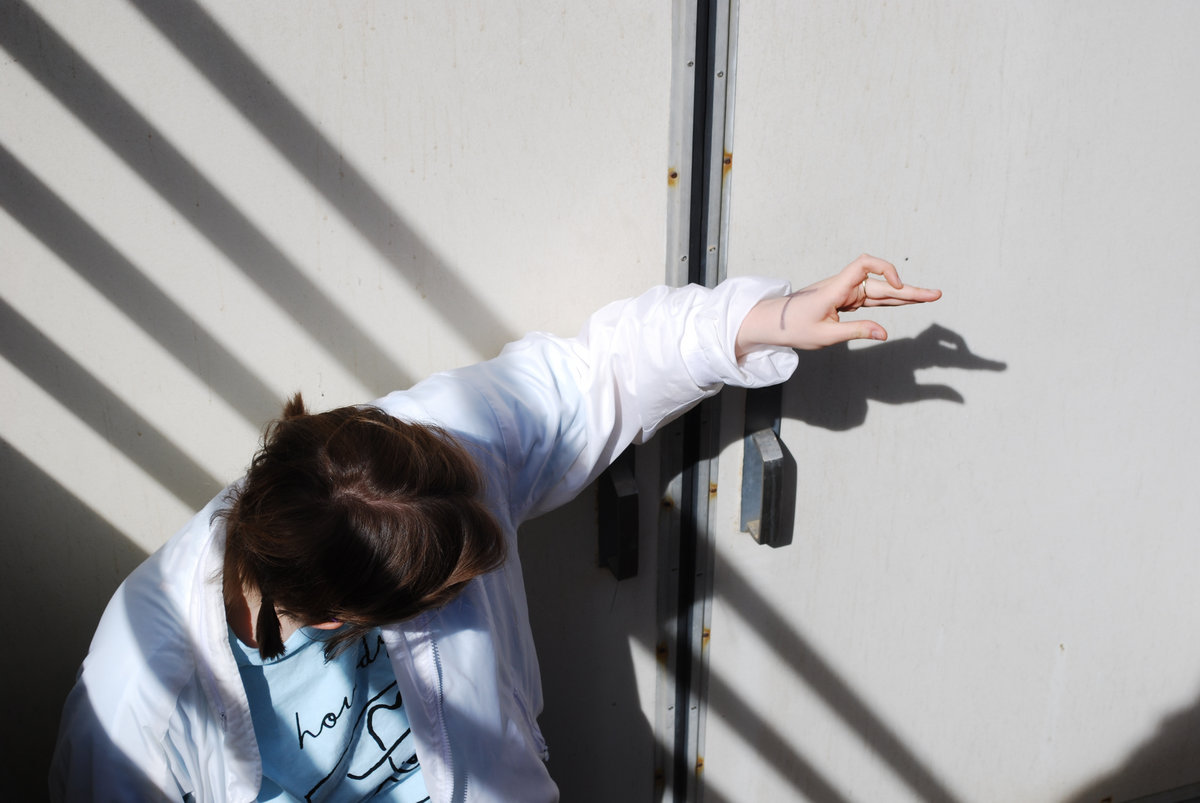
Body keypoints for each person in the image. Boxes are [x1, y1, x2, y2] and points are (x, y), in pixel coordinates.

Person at [50, 255, 940, 802]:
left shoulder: (435, 448)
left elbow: (600, 373)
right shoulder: (136, 695)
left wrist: (768, 319)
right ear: (336, 619)